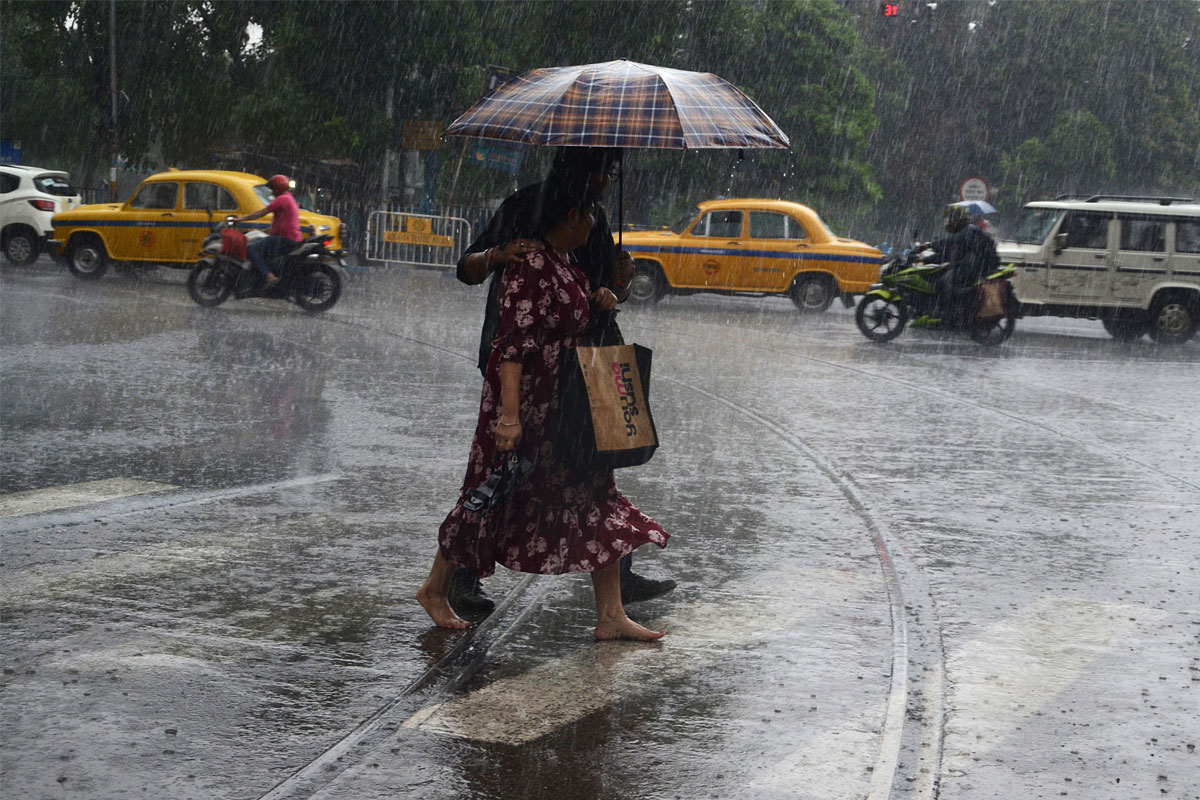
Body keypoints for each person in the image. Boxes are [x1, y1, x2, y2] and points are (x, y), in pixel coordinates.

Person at [417, 173, 670, 641]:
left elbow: (571, 320)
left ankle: (610, 613)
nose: (595, 223)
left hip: (569, 405)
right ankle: (436, 588)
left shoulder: (566, 260)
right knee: (490, 494)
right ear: (570, 216)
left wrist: (608, 293)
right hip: (528, 408)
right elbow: (512, 345)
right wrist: (509, 418)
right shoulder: (529, 263)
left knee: (596, 493)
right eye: (590, 216)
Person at [922, 204, 1001, 325]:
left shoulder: (968, 231)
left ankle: (954, 312)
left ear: (957, 219)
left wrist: (929, 245)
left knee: (944, 282)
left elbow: (948, 244)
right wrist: (923, 260)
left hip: (975, 266)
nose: (948, 222)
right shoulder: (963, 232)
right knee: (937, 278)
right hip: (968, 264)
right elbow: (946, 254)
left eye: (950, 219)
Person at [235, 174, 302, 287]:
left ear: (278, 188)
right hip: (291, 238)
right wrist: (263, 230)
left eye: (272, 189)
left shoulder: (282, 199)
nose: (271, 192)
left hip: (284, 239)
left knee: (252, 249)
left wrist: (241, 219)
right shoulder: (289, 198)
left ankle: (269, 276)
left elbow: (261, 213)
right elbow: (283, 222)